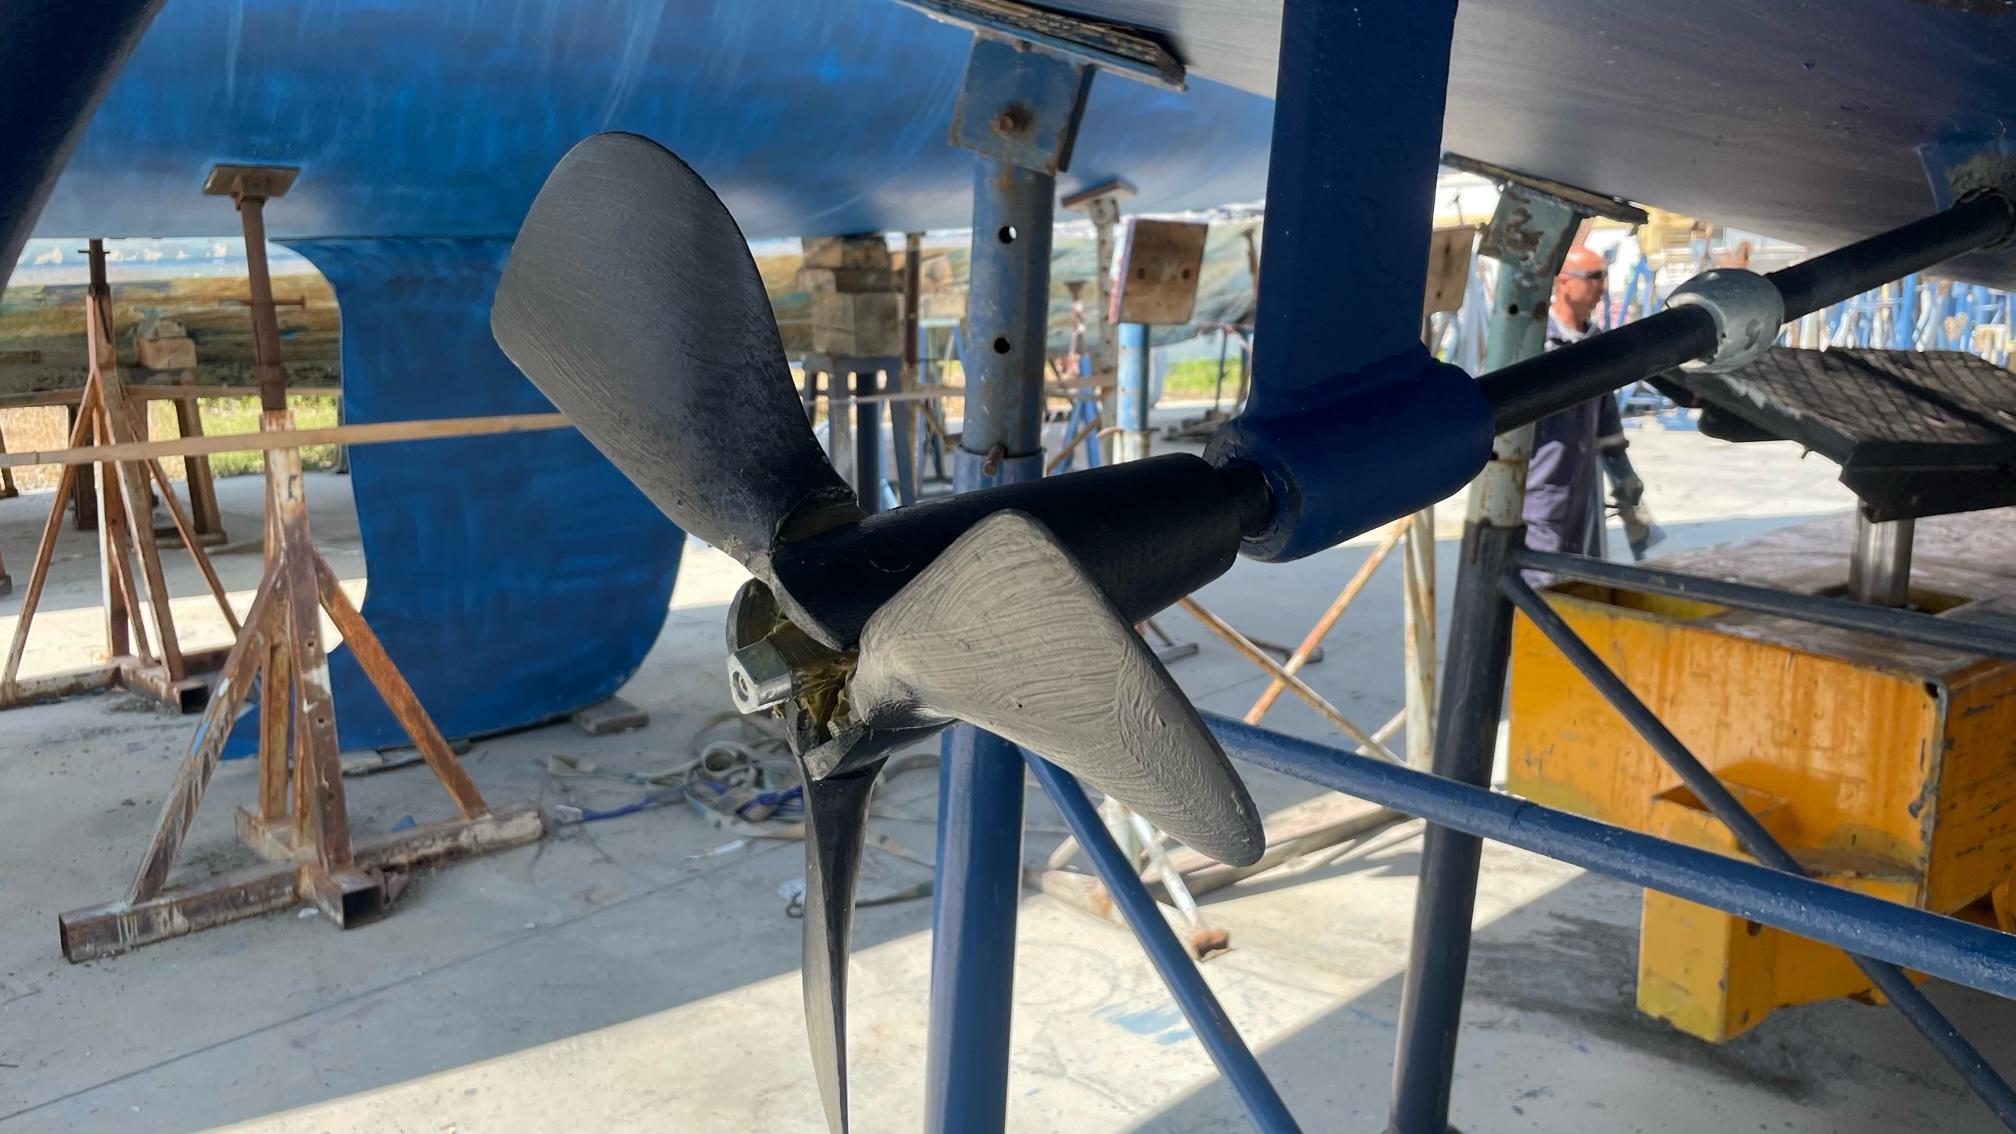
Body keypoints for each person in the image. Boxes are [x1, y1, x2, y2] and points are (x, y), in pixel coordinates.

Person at [1524, 245, 1665, 562]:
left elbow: (1607, 423)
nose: (1602, 287)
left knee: (1576, 577)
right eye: (1593, 277)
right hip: (1540, 491)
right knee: (1541, 580)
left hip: (1582, 491)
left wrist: (1624, 476)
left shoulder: (1595, 345)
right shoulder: (1535, 344)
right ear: (1562, 282)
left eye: (1604, 278)